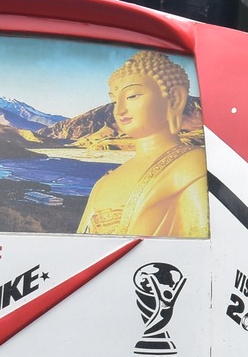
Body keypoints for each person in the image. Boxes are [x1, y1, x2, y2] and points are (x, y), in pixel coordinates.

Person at [76, 50, 210, 237]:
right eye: (114, 101)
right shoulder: (103, 183)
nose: (120, 110)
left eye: (132, 96)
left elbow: (202, 245)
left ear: (175, 98)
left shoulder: (191, 165)